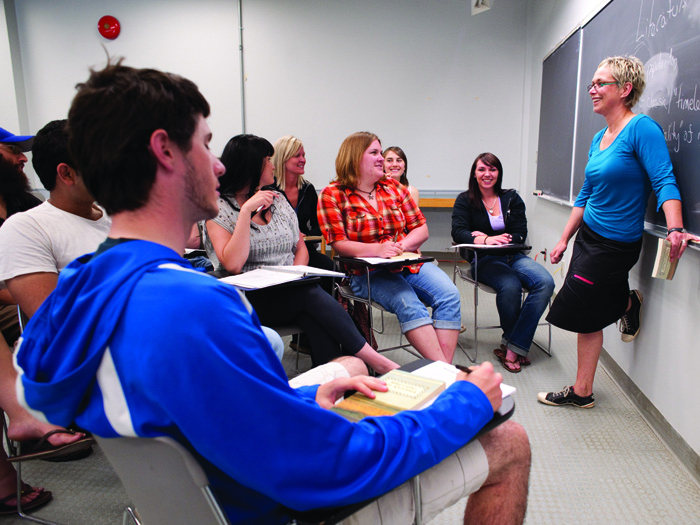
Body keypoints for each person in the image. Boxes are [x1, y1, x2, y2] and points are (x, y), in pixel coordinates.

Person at [15, 61, 530, 525]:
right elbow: (326, 469)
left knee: (345, 376)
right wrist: (461, 406)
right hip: (276, 507)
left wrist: (295, 400)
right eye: (206, 144)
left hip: (218, 487)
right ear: (165, 151)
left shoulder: (82, 288)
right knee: (509, 440)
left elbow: (200, 409)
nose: (217, 166)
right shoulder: (195, 307)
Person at [539, 56, 699, 408]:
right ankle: (626, 305)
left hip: (616, 244)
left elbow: (664, 180)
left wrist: (675, 227)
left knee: (578, 308)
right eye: (591, 84)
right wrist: (565, 239)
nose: (592, 90)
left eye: (600, 84)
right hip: (588, 237)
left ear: (625, 89)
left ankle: (583, 389)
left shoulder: (642, 129)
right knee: (588, 309)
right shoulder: (599, 137)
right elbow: (585, 193)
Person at [205, 134, 399, 374]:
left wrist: (295, 273)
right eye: (268, 160)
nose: (273, 165)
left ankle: (334, 381)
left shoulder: (276, 200)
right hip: (249, 298)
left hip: (288, 289)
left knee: (314, 315)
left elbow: (301, 246)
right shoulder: (219, 209)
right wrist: (245, 212)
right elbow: (233, 264)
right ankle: (374, 362)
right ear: (252, 164)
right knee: (309, 295)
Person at [318, 132, 462, 363]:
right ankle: (446, 372)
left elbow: (421, 229)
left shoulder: (393, 187)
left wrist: (398, 247)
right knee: (410, 304)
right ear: (355, 158)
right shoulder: (332, 195)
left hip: (406, 264)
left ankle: (443, 371)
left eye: (380, 153)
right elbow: (339, 243)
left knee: (449, 295)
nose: (381, 159)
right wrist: (378, 249)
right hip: (366, 272)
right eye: (374, 153)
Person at [452, 153, 555, 373]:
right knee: (510, 286)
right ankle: (514, 349)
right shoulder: (465, 199)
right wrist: (486, 240)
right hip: (485, 258)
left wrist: (498, 238)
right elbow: (459, 232)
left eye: (492, 169)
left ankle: (512, 344)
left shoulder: (512, 198)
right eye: (482, 170)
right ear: (474, 173)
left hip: (514, 255)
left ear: (499, 173)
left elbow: (520, 232)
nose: (487, 174)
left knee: (546, 282)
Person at [270, 135, 334, 274]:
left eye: (303, 155)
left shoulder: (307, 188)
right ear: (283, 158)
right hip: (278, 252)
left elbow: (320, 225)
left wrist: (306, 237)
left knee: (329, 266)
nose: (303, 160)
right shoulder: (269, 188)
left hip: (304, 248)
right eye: (297, 156)